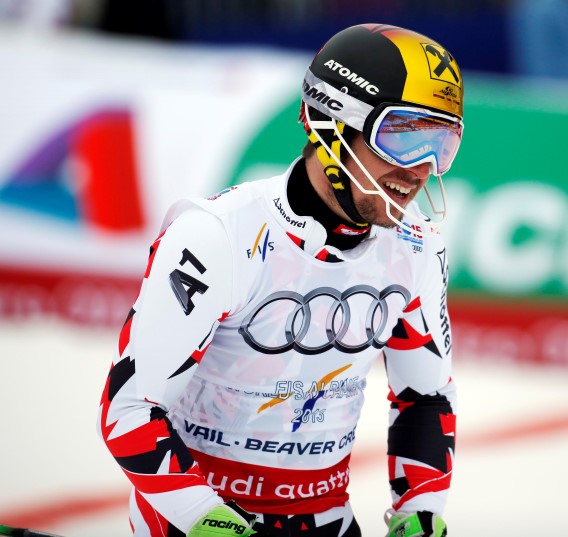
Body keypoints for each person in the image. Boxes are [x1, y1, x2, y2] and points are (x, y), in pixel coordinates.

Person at [98, 23, 463, 537]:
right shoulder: (218, 235)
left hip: (327, 520)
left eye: (442, 145)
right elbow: (129, 407)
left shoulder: (417, 246)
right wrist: (205, 519)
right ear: (331, 123)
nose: (422, 170)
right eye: (402, 138)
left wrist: (421, 511)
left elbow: (425, 398)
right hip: (195, 517)